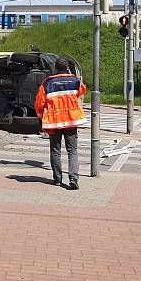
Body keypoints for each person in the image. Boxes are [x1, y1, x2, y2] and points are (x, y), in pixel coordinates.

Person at [34, 58, 87, 190]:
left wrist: (41, 117)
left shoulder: (47, 83)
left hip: (54, 122)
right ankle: (74, 178)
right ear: (67, 68)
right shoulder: (75, 80)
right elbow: (82, 91)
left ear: (55, 68)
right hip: (71, 120)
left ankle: (57, 179)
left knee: (55, 150)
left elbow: (39, 103)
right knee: (72, 151)